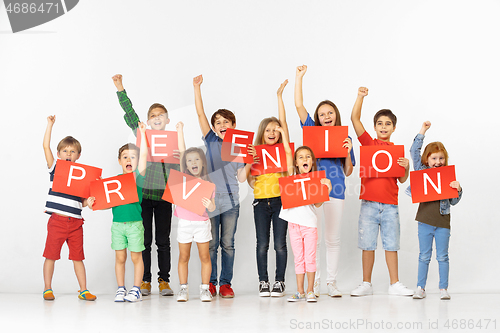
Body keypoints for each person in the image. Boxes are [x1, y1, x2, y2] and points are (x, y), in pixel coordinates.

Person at [112, 74, 178, 296]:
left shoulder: (174, 139)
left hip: (164, 196)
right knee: (145, 241)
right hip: (142, 197)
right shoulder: (142, 134)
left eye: (161, 115)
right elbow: (130, 115)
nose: (156, 118)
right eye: (152, 116)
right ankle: (146, 281)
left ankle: (164, 281)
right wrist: (121, 89)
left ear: (167, 120)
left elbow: (182, 170)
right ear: (148, 121)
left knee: (163, 241)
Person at [294, 65, 356, 297]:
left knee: (333, 238)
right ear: (318, 119)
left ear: (335, 116)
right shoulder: (312, 131)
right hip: (312, 190)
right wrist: (299, 78)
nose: (326, 116)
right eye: (322, 114)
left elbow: (348, 171)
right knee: (314, 239)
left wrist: (348, 152)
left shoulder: (344, 137)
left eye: (329, 113)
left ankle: (331, 282)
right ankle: (315, 282)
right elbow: (299, 106)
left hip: (337, 190)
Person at [192, 74, 253, 298]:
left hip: (231, 200)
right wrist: (196, 88)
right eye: (217, 122)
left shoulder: (240, 147)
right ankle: (210, 283)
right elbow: (200, 113)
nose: (221, 124)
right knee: (211, 243)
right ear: (214, 128)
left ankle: (225, 284)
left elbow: (242, 178)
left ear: (233, 125)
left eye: (226, 121)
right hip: (209, 199)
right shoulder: (211, 140)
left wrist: (249, 161)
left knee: (227, 244)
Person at [350, 87, 413, 296]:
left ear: (394, 128)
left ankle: (395, 283)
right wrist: (360, 97)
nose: (383, 127)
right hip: (369, 203)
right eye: (380, 124)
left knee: (391, 244)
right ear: (375, 127)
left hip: (390, 205)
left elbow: (402, 179)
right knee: (367, 244)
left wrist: (406, 167)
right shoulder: (369, 144)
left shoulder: (396, 152)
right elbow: (354, 119)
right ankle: (366, 283)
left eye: (388, 124)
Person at [88, 122, 148, 302]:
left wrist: (143, 134)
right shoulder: (113, 182)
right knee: (120, 257)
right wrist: (93, 204)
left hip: (135, 224)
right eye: (125, 157)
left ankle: (136, 288)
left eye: (133, 157)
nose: (129, 160)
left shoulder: (139, 178)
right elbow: (106, 203)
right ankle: (121, 288)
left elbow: (144, 154)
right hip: (117, 226)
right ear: (119, 161)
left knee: (136, 256)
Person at [42, 115, 96, 301]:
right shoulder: (55, 168)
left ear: (78, 156)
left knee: (78, 257)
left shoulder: (82, 176)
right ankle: (47, 288)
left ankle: (83, 289)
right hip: (56, 221)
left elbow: (80, 202)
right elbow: (45, 147)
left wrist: (87, 203)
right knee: (51, 255)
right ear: (59, 154)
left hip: (75, 223)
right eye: (64, 151)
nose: (68, 154)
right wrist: (50, 125)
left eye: (72, 151)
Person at [409, 121, 463, 300]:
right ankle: (420, 288)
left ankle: (443, 289)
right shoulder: (422, 172)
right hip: (424, 221)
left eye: (441, 158)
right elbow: (413, 152)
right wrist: (422, 131)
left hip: (442, 223)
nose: (438, 162)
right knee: (424, 256)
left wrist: (458, 189)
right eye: (434, 158)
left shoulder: (447, 176)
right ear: (427, 160)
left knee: (442, 257)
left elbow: (453, 202)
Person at [247, 80, 290, 297]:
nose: (272, 132)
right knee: (262, 243)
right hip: (261, 202)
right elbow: (249, 182)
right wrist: (249, 161)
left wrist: (280, 97)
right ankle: (263, 281)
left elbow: (284, 123)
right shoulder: (255, 153)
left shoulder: (283, 151)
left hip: (281, 200)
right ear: (262, 134)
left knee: (280, 244)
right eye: (268, 130)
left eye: (275, 130)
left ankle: (279, 281)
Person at [280, 145, 332, 302]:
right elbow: (288, 152)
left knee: (310, 257)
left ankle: (310, 290)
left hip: (309, 224)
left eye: (308, 157)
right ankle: (300, 291)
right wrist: (282, 131)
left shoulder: (316, 180)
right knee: (299, 258)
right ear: (296, 162)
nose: (304, 159)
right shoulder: (292, 177)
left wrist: (327, 189)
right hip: (294, 225)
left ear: (312, 161)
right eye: (301, 157)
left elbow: (317, 204)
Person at [174, 122, 216, 302]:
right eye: (190, 160)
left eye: (197, 159)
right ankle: (183, 289)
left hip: (202, 224)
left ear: (202, 163)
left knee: (204, 256)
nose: (193, 163)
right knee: (184, 256)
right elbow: (182, 153)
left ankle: (205, 289)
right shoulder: (183, 178)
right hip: (184, 223)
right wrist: (180, 131)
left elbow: (213, 207)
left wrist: (209, 205)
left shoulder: (208, 184)